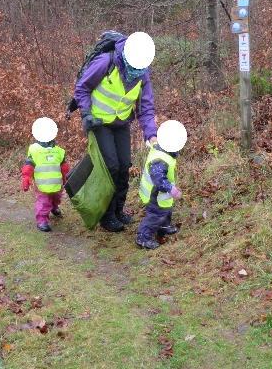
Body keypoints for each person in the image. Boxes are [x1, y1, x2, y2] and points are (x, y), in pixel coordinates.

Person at [74, 31, 158, 232]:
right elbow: (82, 88)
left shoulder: (142, 74)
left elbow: (145, 109)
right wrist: (86, 113)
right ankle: (107, 215)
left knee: (124, 166)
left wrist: (151, 134)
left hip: (120, 123)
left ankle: (119, 210)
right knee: (110, 166)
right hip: (99, 122)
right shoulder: (106, 62)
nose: (138, 70)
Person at [136, 120, 187, 250]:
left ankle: (164, 226)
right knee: (156, 215)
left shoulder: (163, 149)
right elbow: (159, 180)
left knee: (166, 209)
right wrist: (171, 189)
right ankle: (143, 236)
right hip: (155, 194)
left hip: (162, 195)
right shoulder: (159, 160)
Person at [21, 117, 71, 232]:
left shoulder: (59, 151)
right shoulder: (35, 150)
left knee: (57, 198)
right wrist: (26, 177)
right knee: (44, 202)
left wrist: (66, 177)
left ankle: (54, 207)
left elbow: (63, 166)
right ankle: (42, 220)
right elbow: (28, 165)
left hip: (57, 184)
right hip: (42, 185)